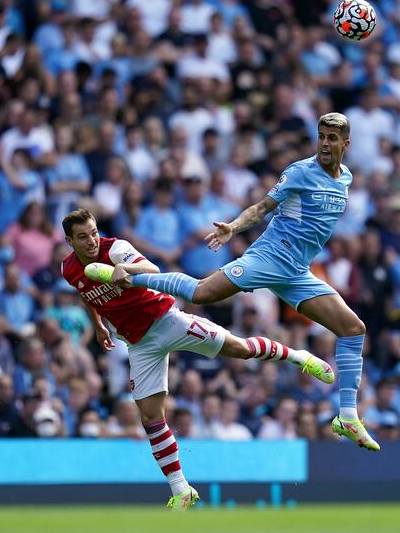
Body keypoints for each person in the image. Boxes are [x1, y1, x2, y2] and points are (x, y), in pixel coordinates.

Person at [86, 113, 380, 451]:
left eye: (332, 138)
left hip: (299, 270)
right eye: (321, 136)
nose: (325, 144)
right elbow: (261, 208)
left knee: (353, 328)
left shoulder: (345, 178)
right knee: (201, 293)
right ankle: (134, 276)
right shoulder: (301, 172)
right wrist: (233, 228)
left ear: (347, 145)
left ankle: (347, 416)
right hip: (271, 257)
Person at [61, 209, 333, 509]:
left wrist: (127, 271)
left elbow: (151, 269)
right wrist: (98, 324)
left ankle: (299, 356)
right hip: (138, 343)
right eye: (83, 237)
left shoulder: (116, 249)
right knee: (151, 417)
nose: (91, 241)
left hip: (165, 320)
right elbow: (86, 293)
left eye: (94, 232)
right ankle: (181, 490)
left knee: (240, 349)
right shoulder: (69, 269)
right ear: (69, 241)